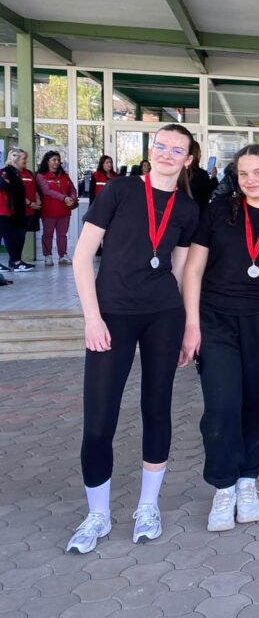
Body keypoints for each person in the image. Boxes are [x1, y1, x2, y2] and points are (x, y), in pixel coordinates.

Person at [65, 124, 199, 554]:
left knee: (156, 410)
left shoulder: (188, 208)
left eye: (176, 150)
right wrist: (92, 318)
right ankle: (97, 515)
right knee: (99, 418)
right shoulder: (120, 190)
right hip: (112, 315)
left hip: (163, 315)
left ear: (188, 159)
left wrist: (188, 326)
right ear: (151, 149)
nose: (166, 154)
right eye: (161, 146)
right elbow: (81, 257)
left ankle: (148, 506)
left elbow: (181, 271)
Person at [180, 144, 259, 533]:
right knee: (221, 407)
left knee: (258, 405)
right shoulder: (218, 212)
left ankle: (248, 481)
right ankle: (223, 486)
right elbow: (193, 271)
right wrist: (191, 324)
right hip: (217, 322)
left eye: (258, 172)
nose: (250, 180)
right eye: (243, 173)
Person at [37, 150, 77, 266]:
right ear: (47, 161)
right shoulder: (41, 176)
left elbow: (72, 189)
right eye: (54, 160)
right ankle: (48, 256)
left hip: (64, 210)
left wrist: (72, 198)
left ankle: (62, 255)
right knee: (48, 234)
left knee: (62, 235)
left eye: (58, 160)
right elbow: (46, 190)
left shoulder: (64, 175)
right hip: (49, 210)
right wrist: (64, 198)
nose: (57, 162)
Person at [0, 149, 37, 272]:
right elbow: (8, 188)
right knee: (10, 236)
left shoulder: (16, 174)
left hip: (12, 211)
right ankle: (16, 262)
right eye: (23, 159)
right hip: (3, 210)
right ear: (14, 160)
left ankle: (15, 261)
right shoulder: (5, 172)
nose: (25, 162)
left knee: (14, 236)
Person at [188, 141, 217, 207]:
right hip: (199, 210)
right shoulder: (201, 174)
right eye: (199, 152)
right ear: (195, 154)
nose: (200, 155)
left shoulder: (179, 173)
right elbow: (212, 194)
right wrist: (213, 177)